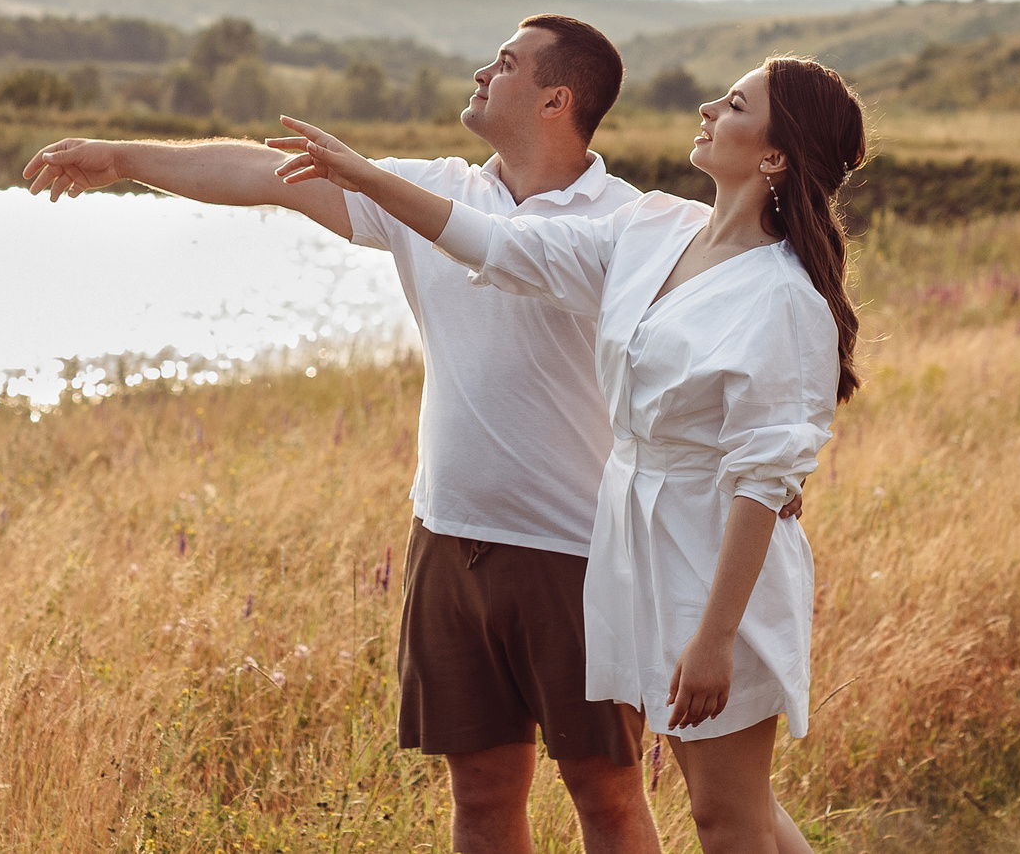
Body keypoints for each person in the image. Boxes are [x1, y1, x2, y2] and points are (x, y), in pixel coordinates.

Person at [22, 16, 662, 854]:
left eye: (504, 63)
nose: (480, 70)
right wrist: (122, 156)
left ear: (556, 97)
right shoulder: (431, 192)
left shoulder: (631, 223)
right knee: (479, 798)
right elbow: (267, 172)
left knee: (608, 801)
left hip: (573, 552)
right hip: (449, 543)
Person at [268, 56, 866, 854]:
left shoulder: (785, 296)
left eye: (733, 104)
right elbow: (503, 247)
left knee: (727, 816)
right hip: (637, 549)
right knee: (737, 806)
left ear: (775, 155)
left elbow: (765, 481)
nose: (707, 107)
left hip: (716, 559)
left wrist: (716, 635)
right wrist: (369, 179)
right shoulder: (654, 228)